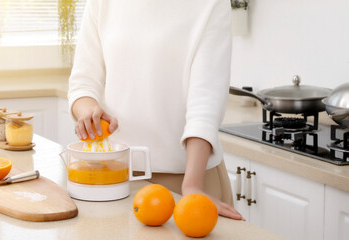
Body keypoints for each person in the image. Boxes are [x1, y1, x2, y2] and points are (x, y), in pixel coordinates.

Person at [68, 0, 243, 220]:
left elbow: (205, 104)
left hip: (189, 179)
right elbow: (83, 83)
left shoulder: (210, 4)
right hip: (117, 180)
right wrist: (88, 111)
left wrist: (193, 186)